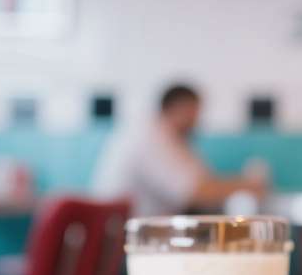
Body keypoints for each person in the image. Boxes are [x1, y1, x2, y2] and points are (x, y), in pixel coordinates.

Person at [92, 83, 265, 216]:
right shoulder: (150, 136)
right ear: (179, 108)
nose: (197, 121)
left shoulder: (172, 139)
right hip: (123, 242)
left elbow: (204, 180)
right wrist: (248, 185)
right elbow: (194, 193)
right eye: (194, 113)